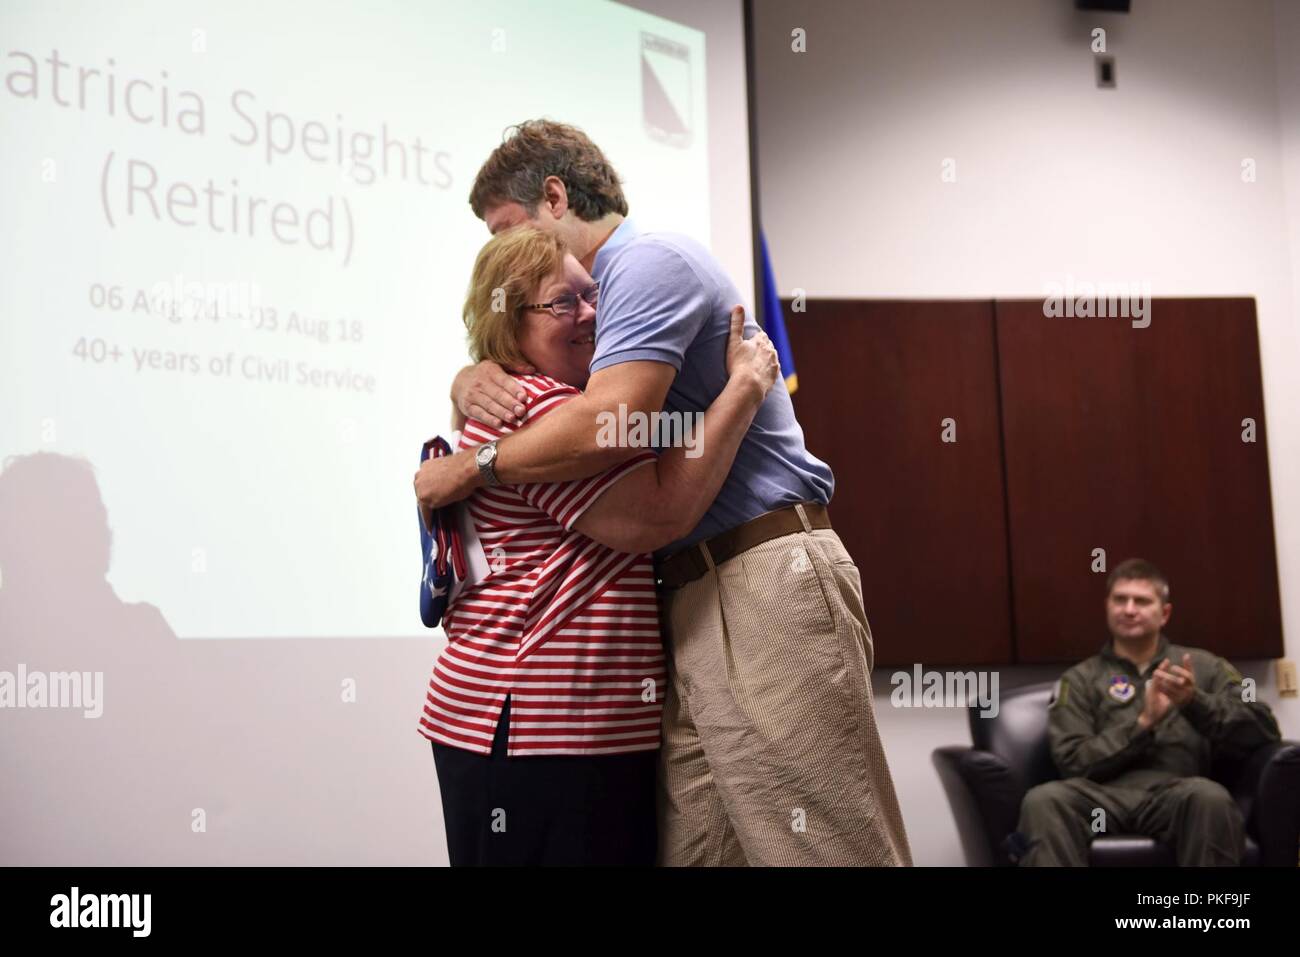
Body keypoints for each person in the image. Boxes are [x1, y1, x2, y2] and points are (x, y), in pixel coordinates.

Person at [415, 119, 912, 866]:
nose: (497, 252)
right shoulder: (595, 306)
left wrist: (478, 462)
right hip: (691, 594)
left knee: (825, 850)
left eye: (504, 228)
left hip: (755, 575)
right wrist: (466, 381)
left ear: (554, 197)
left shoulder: (644, 266)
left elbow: (603, 428)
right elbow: (560, 405)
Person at [416, 224, 780, 865]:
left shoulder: (549, 401)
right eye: (563, 304)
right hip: (539, 727)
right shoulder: (535, 408)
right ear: (508, 324)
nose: (591, 315)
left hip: (550, 726)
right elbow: (658, 515)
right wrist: (744, 389)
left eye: (595, 295)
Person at [1014, 558, 1281, 866]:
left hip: (1177, 794)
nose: (1129, 609)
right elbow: (1072, 761)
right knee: (1043, 800)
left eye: (1141, 601)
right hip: (1100, 798)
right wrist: (1143, 724)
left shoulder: (1206, 666)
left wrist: (1194, 702)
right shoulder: (1078, 679)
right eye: (1120, 599)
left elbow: (1263, 727)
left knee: (1210, 798)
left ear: (1164, 613)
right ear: (1107, 607)